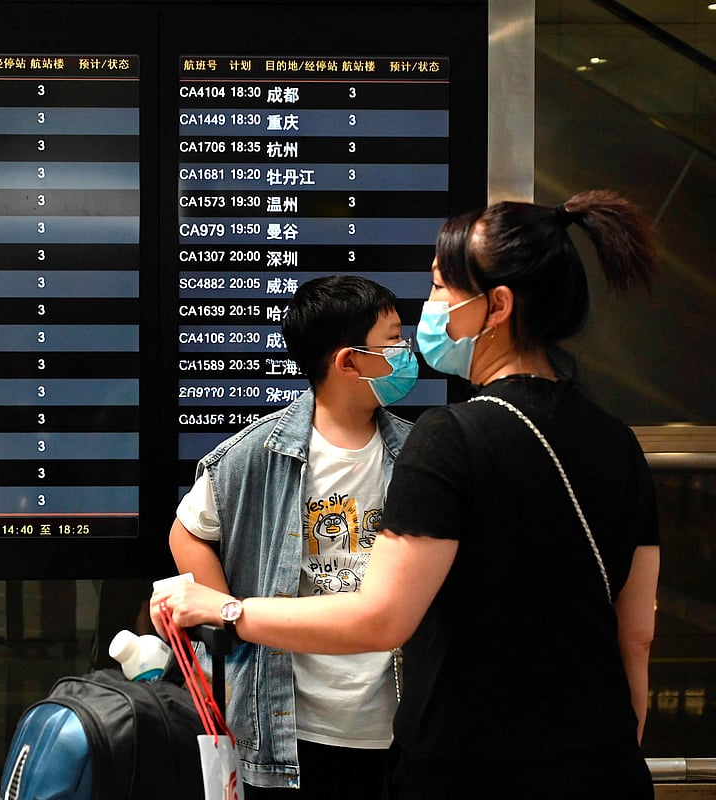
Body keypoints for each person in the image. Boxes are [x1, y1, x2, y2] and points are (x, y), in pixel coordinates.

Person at [153, 190, 661, 800]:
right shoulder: (619, 444)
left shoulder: (449, 438)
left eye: (444, 288)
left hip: (472, 766)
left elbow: (382, 616)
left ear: (496, 306)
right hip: (601, 767)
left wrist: (228, 611)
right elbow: (636, 634)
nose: (431, 310)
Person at [170, 275, 417, 797]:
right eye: (393, 339)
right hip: (289, 727)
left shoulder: (419, 453)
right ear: (348, 362)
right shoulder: (255, 454)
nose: (406, 351)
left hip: (395, 719)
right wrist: (229, 618)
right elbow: (187, 532)